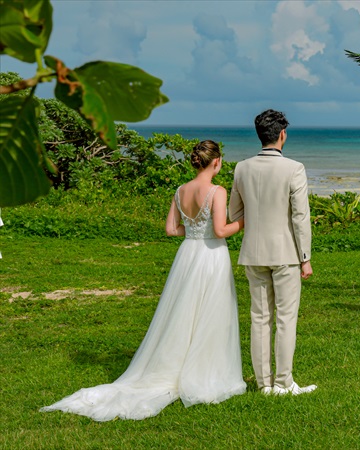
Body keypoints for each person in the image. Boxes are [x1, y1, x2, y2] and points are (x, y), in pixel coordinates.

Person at [41, 140, 247, 421]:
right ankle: (205, 371)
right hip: (211, 256)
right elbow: (222, 230)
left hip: (187, 254)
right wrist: (244, 221)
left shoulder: (180, 190)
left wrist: (193, 233)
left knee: (182, 312)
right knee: (211, 312)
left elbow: (170, 229)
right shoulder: (217, 191)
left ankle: (177, 363)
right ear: (217, 162)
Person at [229, 109, 315, 396]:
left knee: (259, 317)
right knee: (285, 319)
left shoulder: (242, 167)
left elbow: (234, 213)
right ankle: (283, 382)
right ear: (282, 135)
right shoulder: (294, 168)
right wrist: (306, 258)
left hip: (253, 252)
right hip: (286, 254)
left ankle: (264, 383)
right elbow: (300, 216)